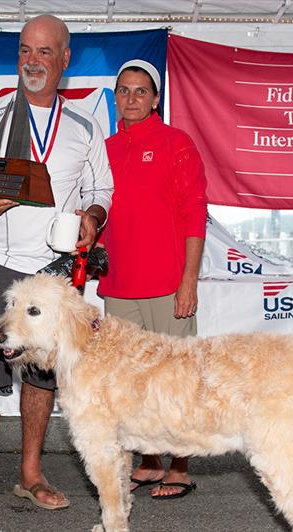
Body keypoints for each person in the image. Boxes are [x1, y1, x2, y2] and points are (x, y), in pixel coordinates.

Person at [0, 14, 114, 521]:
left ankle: (30, 472)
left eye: (43, 52)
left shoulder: (84, 125)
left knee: (41, 377)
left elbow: (101, 190)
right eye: (24, 50)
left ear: (64, 59)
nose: (32, 61)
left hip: (53, 272)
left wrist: (93, 217)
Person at [99, 59, 208, 500]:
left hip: (167, 283)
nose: (131, 98)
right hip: (119, 286)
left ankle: (179, 466)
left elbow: (194, 214)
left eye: (140, 91)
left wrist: (189, 281)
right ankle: (148, 461)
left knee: (177, 379)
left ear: (156, 98)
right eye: (124, 91)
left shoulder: (175, 143)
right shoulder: (103, 147)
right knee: (131, 383)